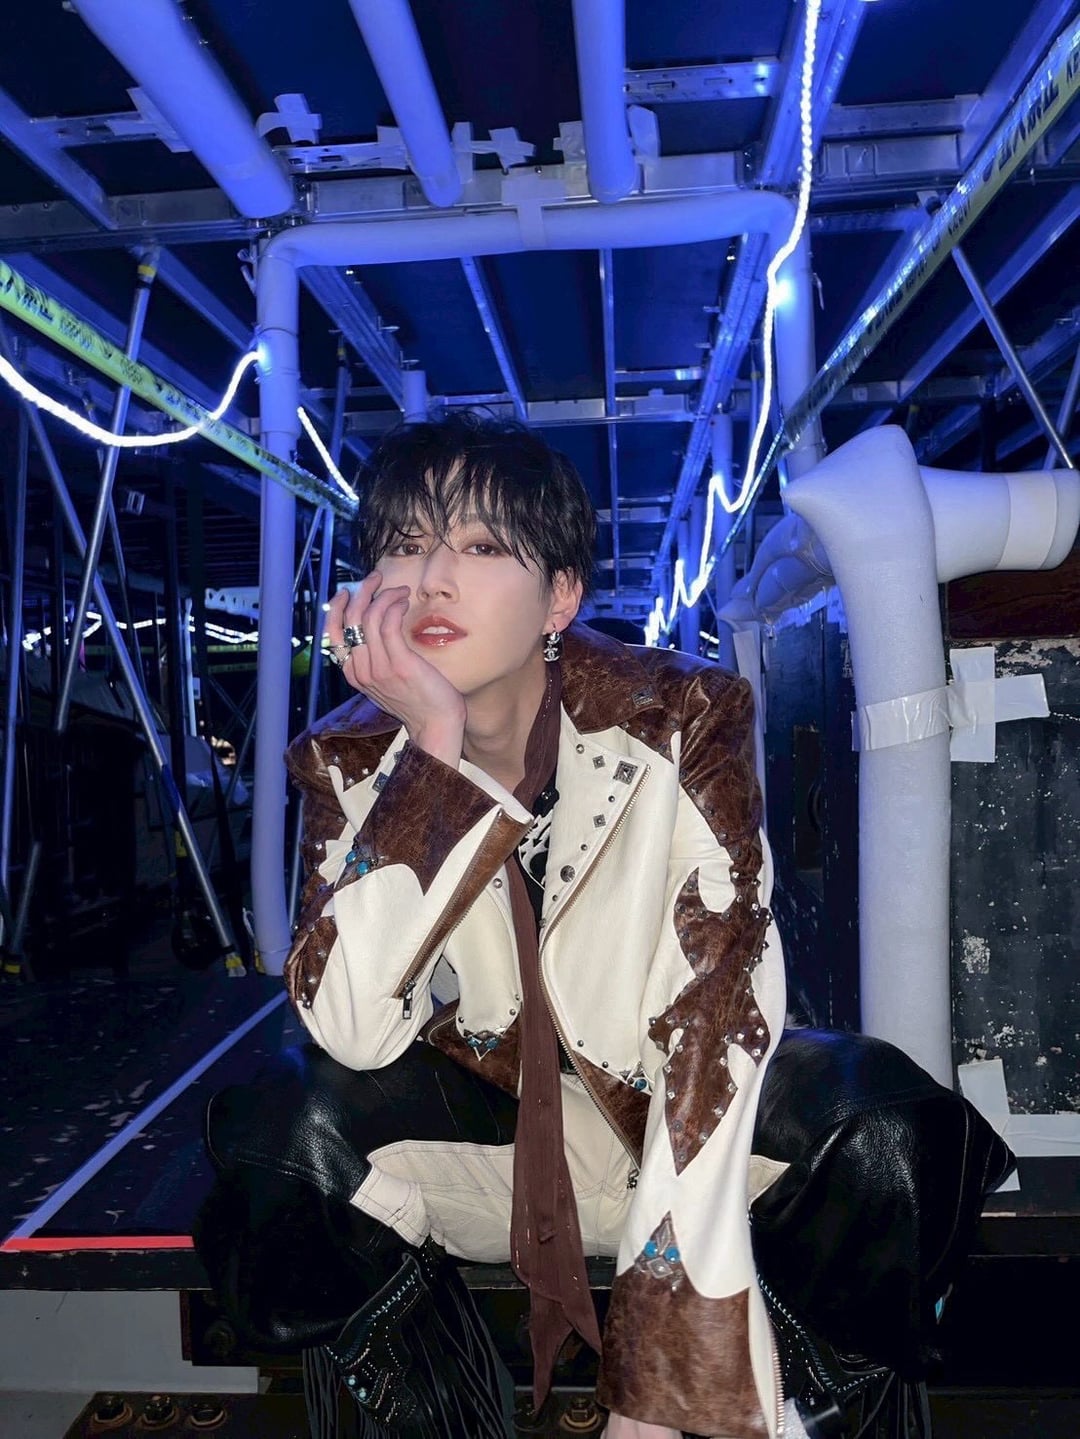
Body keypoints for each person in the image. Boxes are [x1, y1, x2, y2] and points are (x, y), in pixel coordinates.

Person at [197, 412, 786, 1439]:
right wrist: (429, 752)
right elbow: (351, 1029)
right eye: (405, 544)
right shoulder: (347, 758)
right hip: (497, 1136)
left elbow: (714, 1012)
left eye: (477, 546)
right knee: (272, 1132)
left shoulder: (683, 714)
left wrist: (662, 1382)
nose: (431, 579)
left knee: (887, 1126)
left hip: (675, 1115)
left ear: (560, 596)